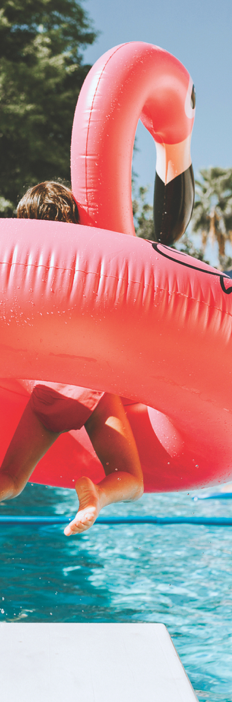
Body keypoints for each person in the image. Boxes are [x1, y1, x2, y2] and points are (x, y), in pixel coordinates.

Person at [0, 181, 144, 536]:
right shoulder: (87, 264)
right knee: (130, 478)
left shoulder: (18, 271)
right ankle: (99, 494)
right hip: (89, 385)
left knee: (13, 479)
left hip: (45, 392)